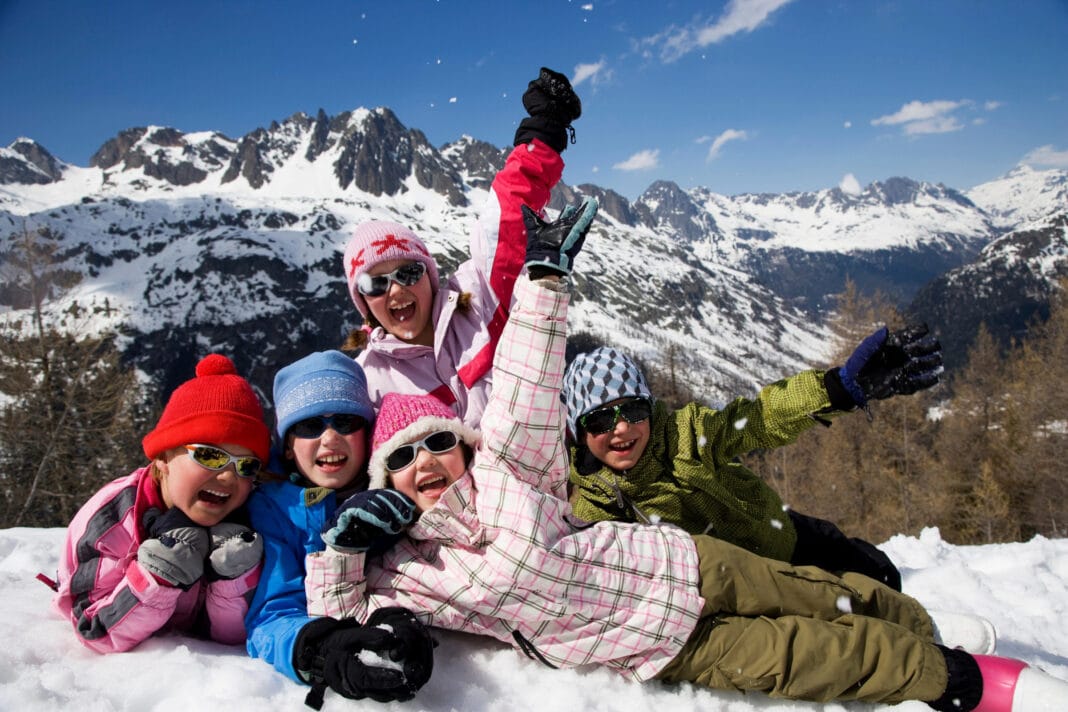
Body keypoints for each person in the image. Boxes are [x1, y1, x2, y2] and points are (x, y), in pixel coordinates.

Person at [303, 202, 1067, 711]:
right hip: (664, 643)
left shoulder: (512, 472)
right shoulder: (405, 570)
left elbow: (532, 382)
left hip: (690, 561)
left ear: (469, 447)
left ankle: (925, 626)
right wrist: (343, 544)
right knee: (811, 653)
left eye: (443, 439)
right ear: (385, 482)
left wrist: (541, 281)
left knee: (837, 591)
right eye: (406, 457)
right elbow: (341, 613)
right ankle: (957, 679)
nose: (430, 459)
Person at [560, 330, 943, 591]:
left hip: (785, 533)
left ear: (650, 408)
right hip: (756, 588)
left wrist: (837, 389)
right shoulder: (595, 510)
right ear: (579, 431)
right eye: (599, 419)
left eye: (633, 410)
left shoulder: (688, 433)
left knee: (881, 572)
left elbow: (757, 420)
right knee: (850, 603)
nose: (622, 428)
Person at [341, 67, 588, 427]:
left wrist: (544, 132)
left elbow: (502, 226)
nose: (396, 289)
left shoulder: (477, 302)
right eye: (375, 283)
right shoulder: (366, 382)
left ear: (430, 274)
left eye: (409, 271)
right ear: (362, 301)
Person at [244, 350, 434, 710]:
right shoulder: (274, 511)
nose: (330, 439)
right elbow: (270, 617)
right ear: (287, 447)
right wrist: (319, 650)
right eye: (309, 425)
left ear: (367, 432)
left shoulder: (402, 484)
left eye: (346, 422)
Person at [53, 354, 269, 654]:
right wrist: (158, 576)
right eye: (209, 455)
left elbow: (239, 637)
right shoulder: (112, 521)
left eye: (246, 465)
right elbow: (93, 629)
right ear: (163, 458)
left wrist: (231, 579)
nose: (228, 476)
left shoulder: (252, 521)